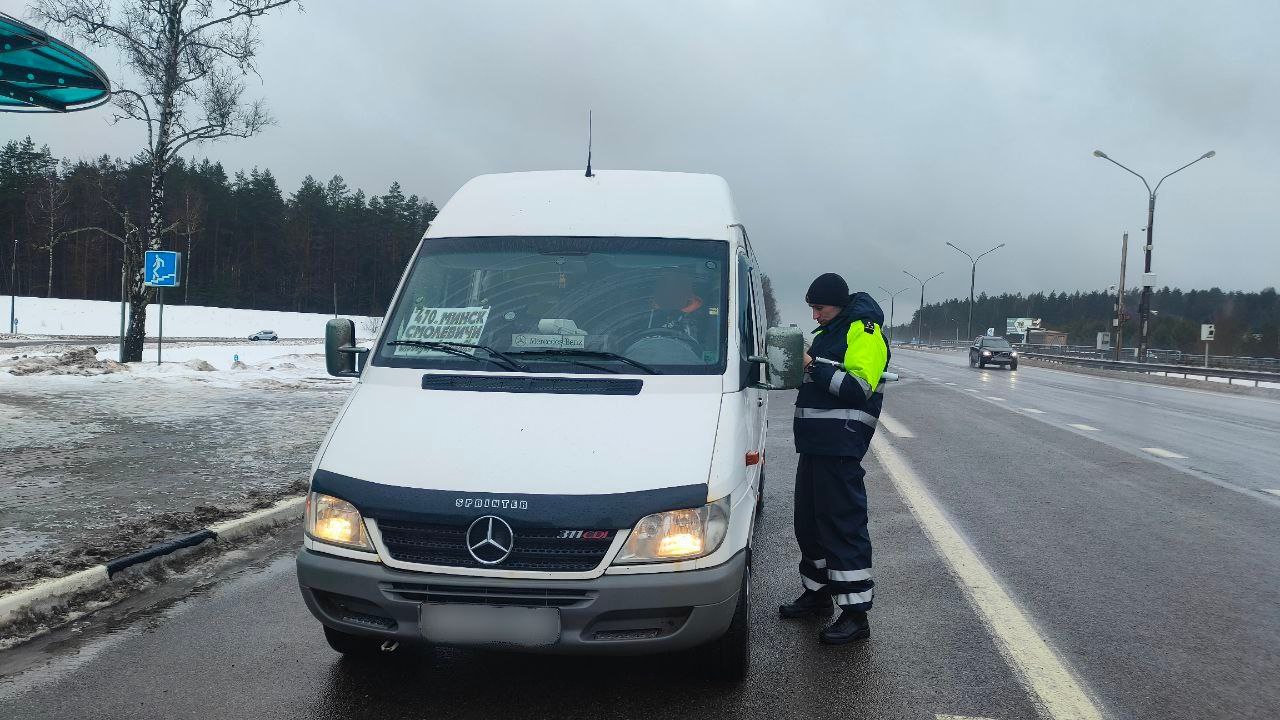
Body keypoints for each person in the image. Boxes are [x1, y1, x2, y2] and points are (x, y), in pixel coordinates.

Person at [779, 272, 890, 644]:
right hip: (815, 445)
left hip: (840, 447)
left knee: (842, 526)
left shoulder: (864, 331)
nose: (814, 315)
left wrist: (811, 364)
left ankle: (856, 615)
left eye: (819, 308)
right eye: (811, 308)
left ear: (837, 304)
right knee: (809, 524)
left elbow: (858, 388)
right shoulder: (830, 333)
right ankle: (818, 594)